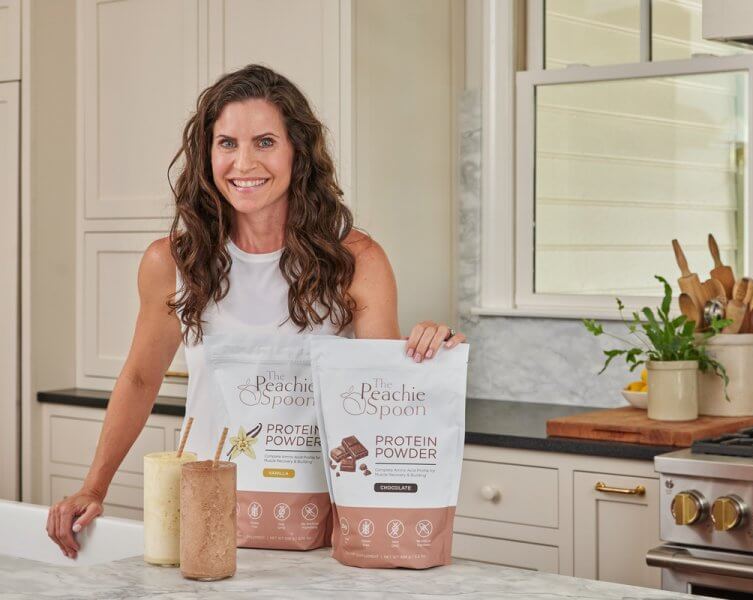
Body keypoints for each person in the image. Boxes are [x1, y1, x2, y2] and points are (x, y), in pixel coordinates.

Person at [44, 64, 465, 559]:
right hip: (204, 519)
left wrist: (426, 354)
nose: (244, 163)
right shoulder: (172, 261)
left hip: (317, 521)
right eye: (227, 143)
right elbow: (139, 379)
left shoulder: (357, 260)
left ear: (297, 153)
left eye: (265, 142)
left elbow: (379, 396)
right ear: (207, 153)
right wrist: (94, 487)